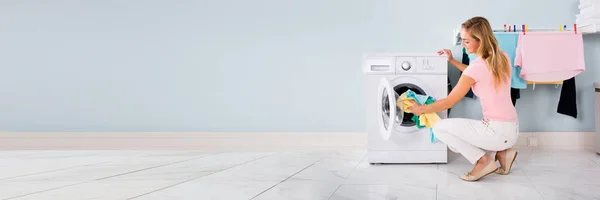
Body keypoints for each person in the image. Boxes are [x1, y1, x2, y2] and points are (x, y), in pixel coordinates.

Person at [407, 16, 519, 181]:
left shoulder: (477, 68)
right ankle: (502, 152)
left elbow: (449, 102)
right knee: (469, 131)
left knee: (440, 129)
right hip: (512, 129)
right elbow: (476, 73)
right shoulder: (502, 57)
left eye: (466, 41)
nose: (462, 45)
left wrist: (420, 109)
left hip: (495, 131)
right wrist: (452, 61)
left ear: (479, 41)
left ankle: (483, 160)